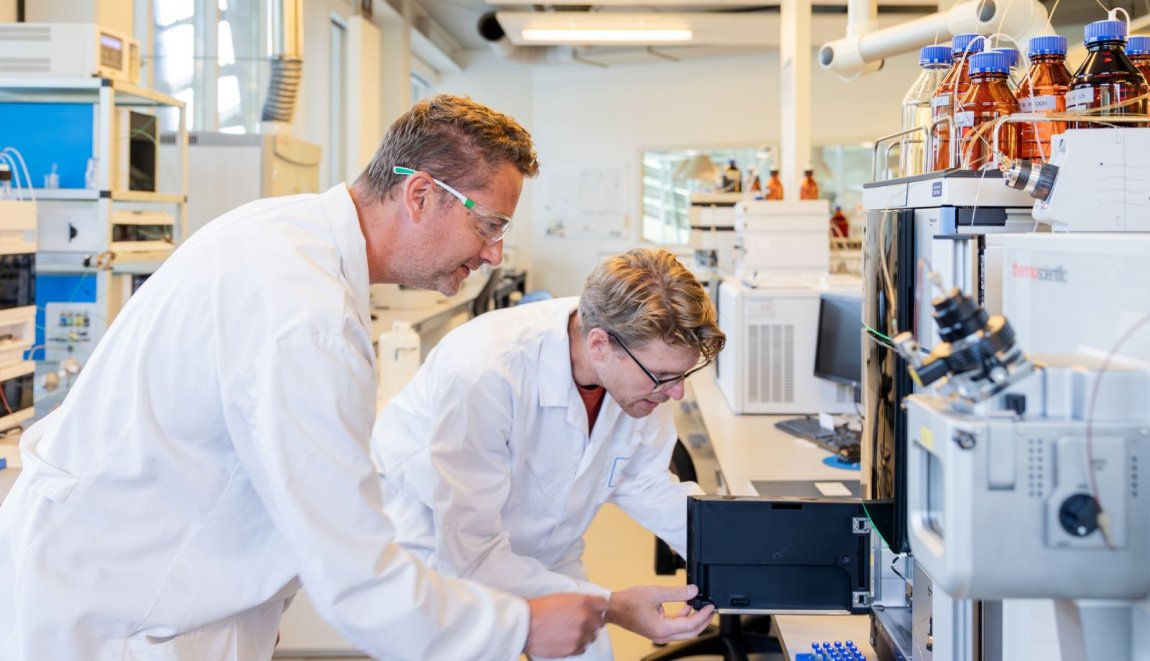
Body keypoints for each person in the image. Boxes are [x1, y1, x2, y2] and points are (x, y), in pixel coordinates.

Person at [0, 95, 607, 660]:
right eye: (490, 225)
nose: (495, 253)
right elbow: (357, 579)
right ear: (421, 195)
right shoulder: (306, 318)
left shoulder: (287, 235)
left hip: (131, 578)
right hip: (125, 616)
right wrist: (520, 626)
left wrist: (270, 586)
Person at [372, 248, 727, 659]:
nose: (676, 392)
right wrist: (612, 606)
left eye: (682, 375)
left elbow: (645, 482)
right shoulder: (485, 370)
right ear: (600, 345)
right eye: (663, 376)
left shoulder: (639, 374)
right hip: (438, 556)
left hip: (547, 552)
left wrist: (746, 553)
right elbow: (471, 553)